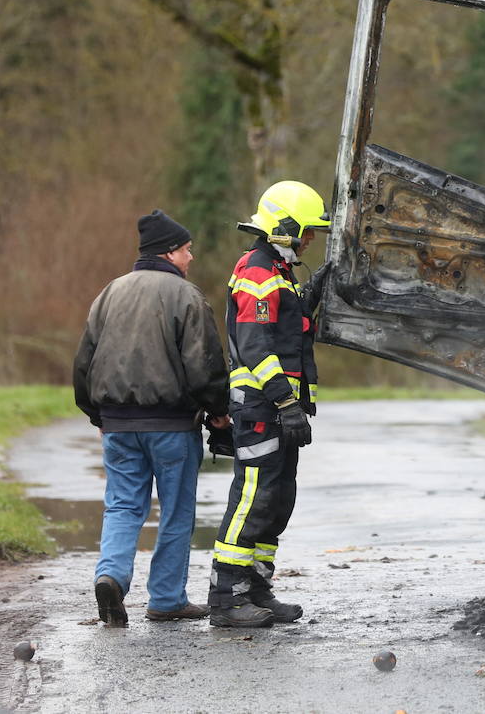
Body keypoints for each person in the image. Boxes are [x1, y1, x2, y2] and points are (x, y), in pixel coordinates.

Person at [74, 209, 230, 626]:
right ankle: (166, 599)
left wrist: (97, 414)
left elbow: (84, 362)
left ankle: (110, 576)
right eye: (186, 250)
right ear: (169, 253)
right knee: (177, 511)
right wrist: (219, 411)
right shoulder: (187, 296)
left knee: (123, 506)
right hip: (172, 426)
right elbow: (204, 364)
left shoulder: (109, 293)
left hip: (118, 426)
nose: (191, 258)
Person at [208, 180, 331, 628]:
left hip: (277, 410)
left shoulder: (279, 272)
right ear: (285, 226)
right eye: (308, 231)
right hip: (263, 408)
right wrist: (285, 402)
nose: (311, 240)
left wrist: (314, 289)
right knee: (253, 497)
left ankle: (257, 587)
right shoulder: (258, 270)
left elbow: (290, 327)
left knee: (277, 500)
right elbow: (256, 347)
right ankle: (227, 597)